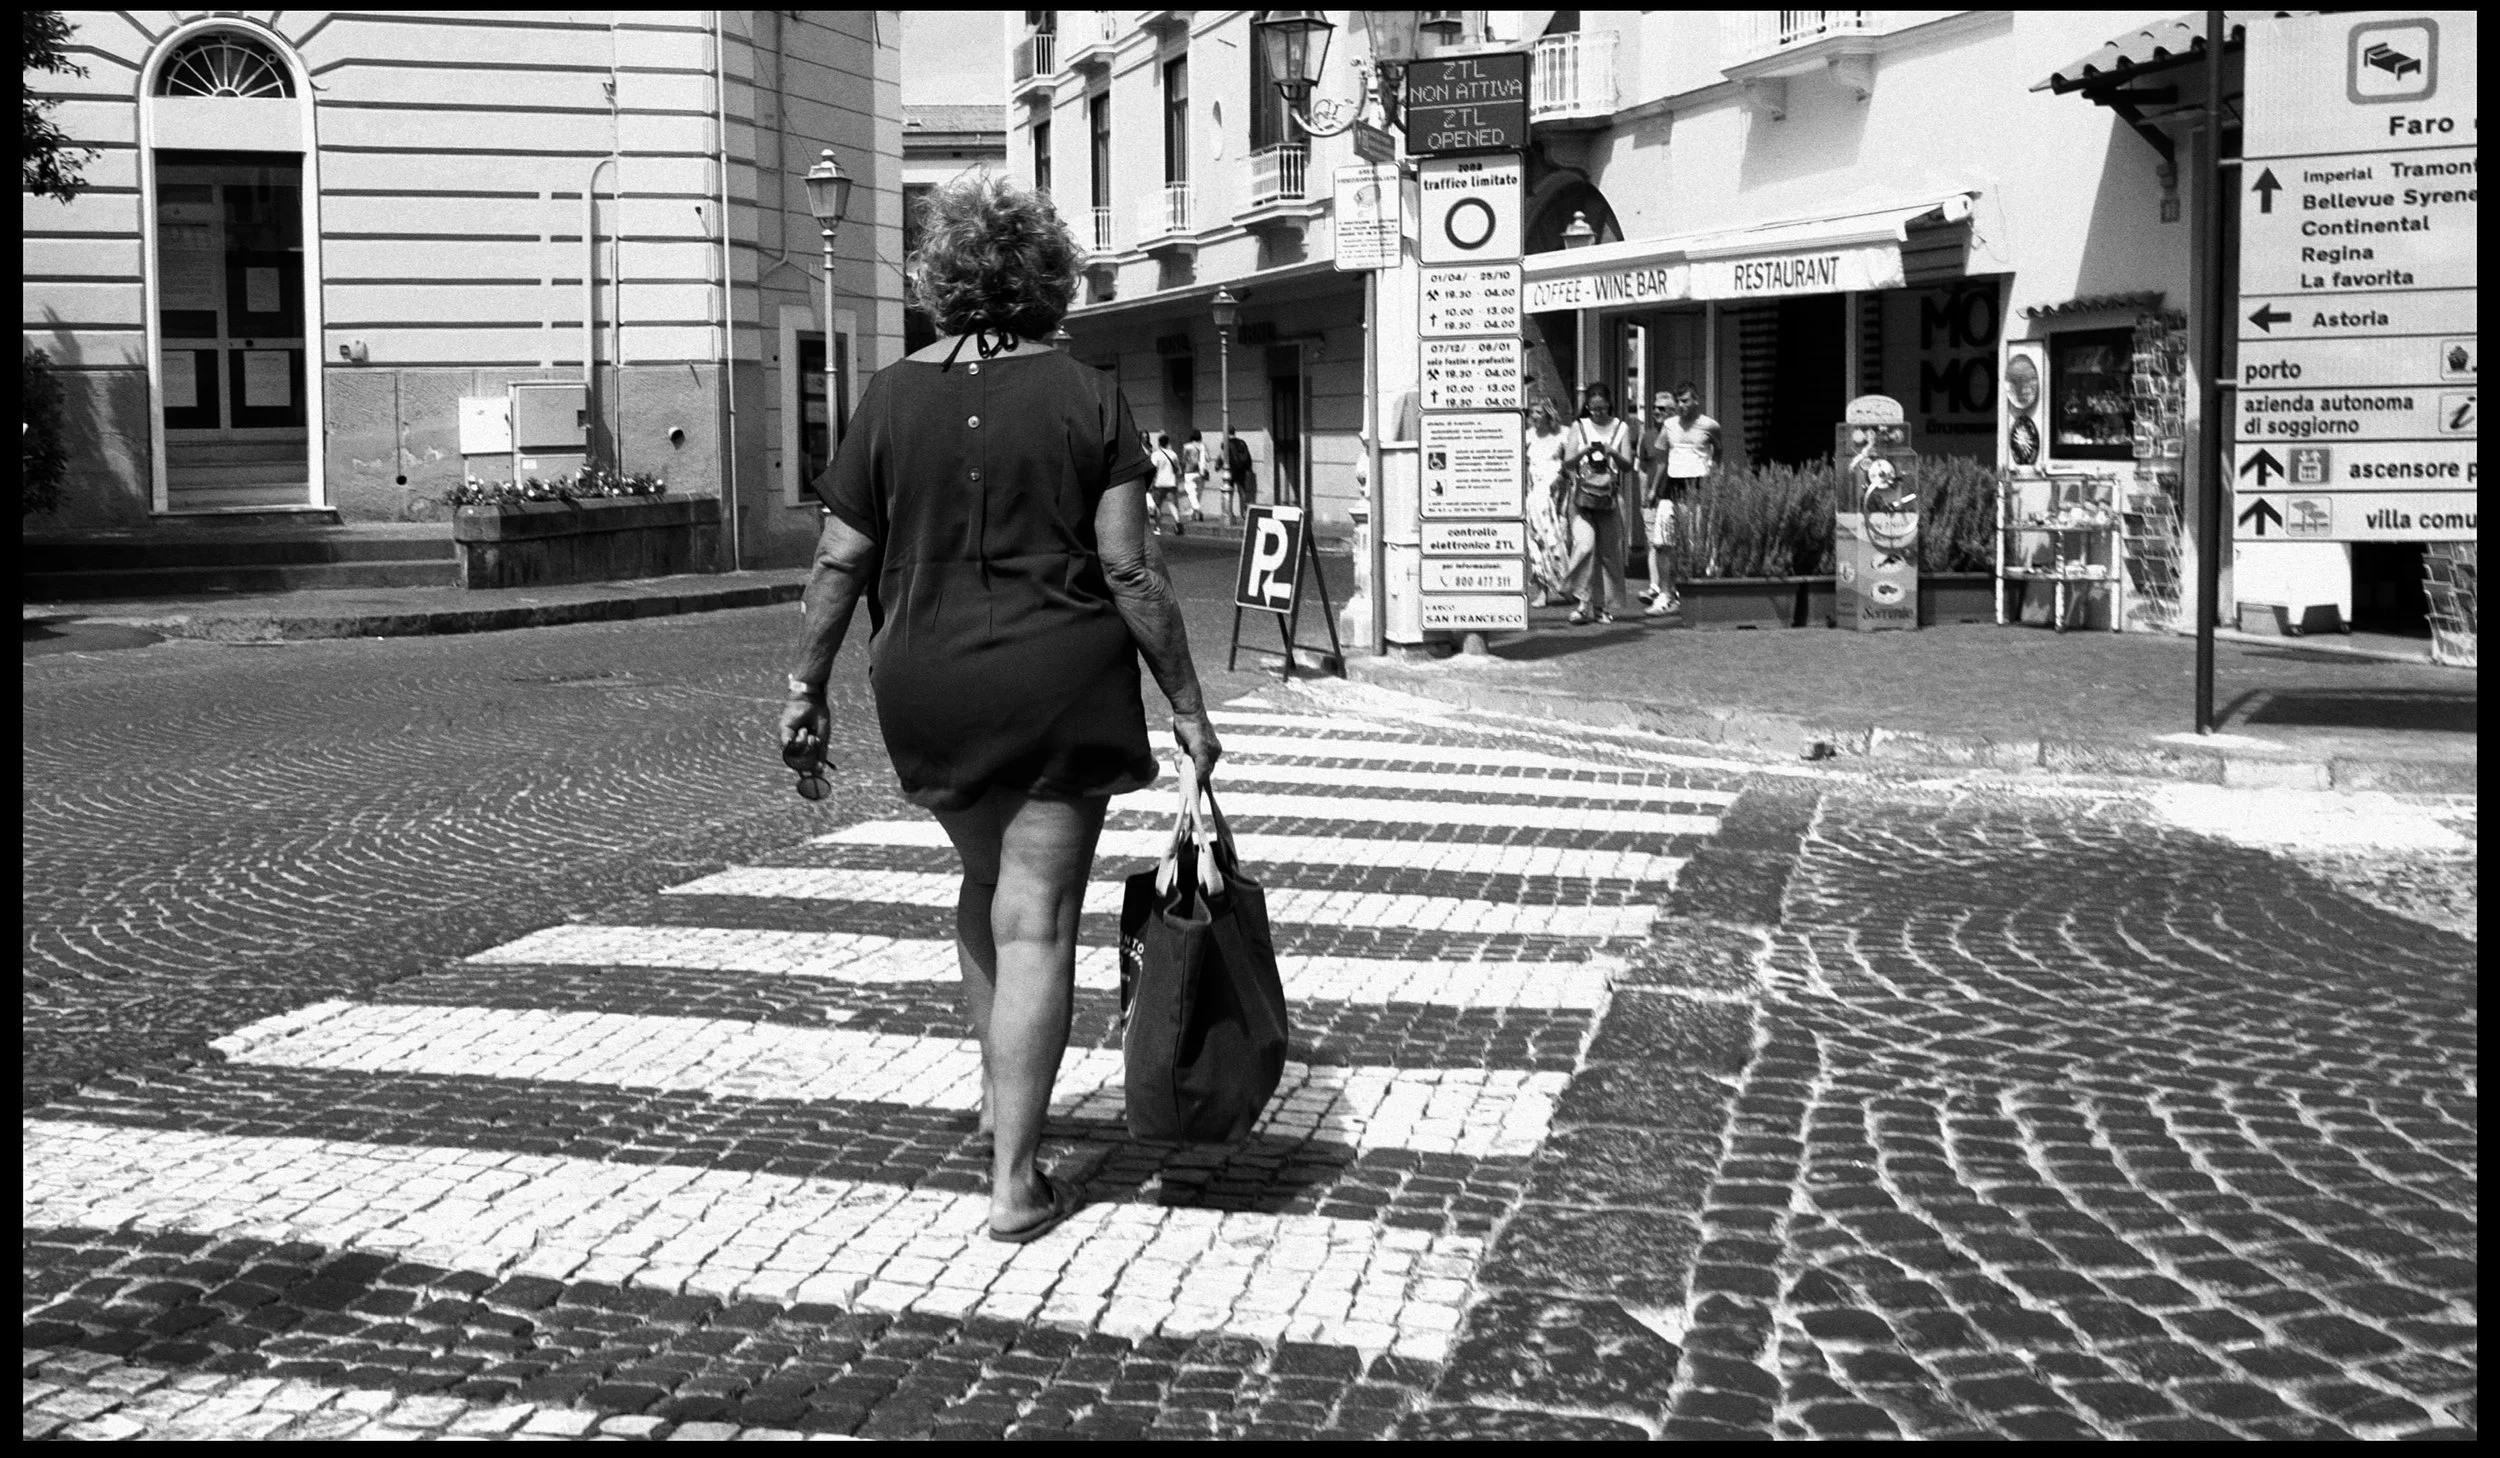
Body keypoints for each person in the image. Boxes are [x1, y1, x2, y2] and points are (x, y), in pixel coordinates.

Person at [778, 172, 1221, 1245]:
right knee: (1038, 919)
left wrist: (806, 686)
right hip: (1055, 680)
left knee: (986, 883)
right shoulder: (1087, 395)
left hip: (924, 680)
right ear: (1044, 277)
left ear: (941, 277)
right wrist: (1188, 705)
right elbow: (1130, 569)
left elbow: (840, 559)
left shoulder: (888, 396)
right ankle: (1017, 1180)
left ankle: (995, 1104)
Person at [1640, 383, 1720, 617]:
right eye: (1679, 401)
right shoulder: (1669, 425)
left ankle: (1689, 595)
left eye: (1686, 401)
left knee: (1693, 544)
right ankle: (1665, 594)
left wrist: (1713, 479)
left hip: (1697, 487)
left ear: (1696, 400)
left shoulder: (1710, 425)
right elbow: (1662, 459)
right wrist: (1653, 490)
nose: (1682, 405)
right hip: (1671, 487)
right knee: (1662, 542)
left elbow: (1718, 452)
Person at [1560, 382, 1636, 625]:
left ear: (1609, 405)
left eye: (1602, 408)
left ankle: (1601, 607)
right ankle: (1580, 600)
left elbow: (1627, 465)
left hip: (1609, 497)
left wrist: (1613, 452)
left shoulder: (1621, 427)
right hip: (1582, 496)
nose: (1597, 413)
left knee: (1609, 554)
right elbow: (1567, 463)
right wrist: (1583, 452)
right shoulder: (1579, 426)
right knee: (1585, 545)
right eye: (1593, 409)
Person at [1522, 397, 1572, 607]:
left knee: (1558, 540)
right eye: (1532, 412)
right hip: (1535, 495)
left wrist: (1561, 479)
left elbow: (1571, 464)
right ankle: (1542, 591)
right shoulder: (1527, 436)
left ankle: (1565, 585)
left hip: (1557, 495)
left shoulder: (1564, 434)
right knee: (1536, 542)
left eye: (1539, 412)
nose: (1534, 416)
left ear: (1549, 414)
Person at [1147, 431, 1185, 535]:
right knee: (1172, 504)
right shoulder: (1173, 454)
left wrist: (1150, 483)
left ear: (1159, 443)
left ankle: (1157, 527)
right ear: (1168, 443)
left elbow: (1152, 470)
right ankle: (1177, 523)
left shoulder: (1155, 455)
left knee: (1157, 507)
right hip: (1171, 483)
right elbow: (1178, 470)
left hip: (1159, 484)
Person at [1222, 431, 1256, 518]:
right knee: (1242, 492)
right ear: (1234, 432)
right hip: (1242, 470)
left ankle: (1229, 513)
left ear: (1227, 433)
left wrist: (1218, 465)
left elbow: (1222, 456)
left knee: (1229, 493)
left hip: (1230, 471)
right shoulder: (1242, 442)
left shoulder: (1226, 444)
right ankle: (1244, 513)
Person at [1179, 429, 1209, 523]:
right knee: (1198, 493)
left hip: (1189, 471)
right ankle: (1194, 514)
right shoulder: (1203, 446)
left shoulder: (1187, 446)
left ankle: (1197, 509)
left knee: (1191, 493)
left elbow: (1184, 460)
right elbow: (1208, 458)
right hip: (1200, 472)